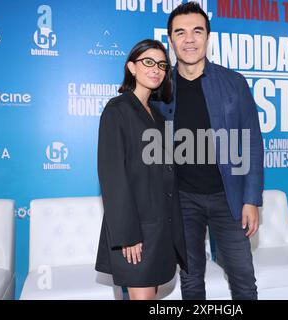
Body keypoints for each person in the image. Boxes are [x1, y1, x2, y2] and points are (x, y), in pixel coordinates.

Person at [154, 3, 264, 300]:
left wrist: (252, 199)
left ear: (207, 37)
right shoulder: (159, 88)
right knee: (190, 282)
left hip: (228, 199)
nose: (189, 39)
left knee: (243, 278)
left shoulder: (233, 83)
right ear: (171, 40)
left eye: (197, 31)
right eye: (181, 32)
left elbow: (252, 141)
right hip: (181, 200)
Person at [95, 39, 187, 300]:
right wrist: (127, 235)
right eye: (148, 62)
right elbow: (113, 177)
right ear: (131, 68)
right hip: (135, 231)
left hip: (159, 228)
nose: (156, 69)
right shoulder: (117, 110)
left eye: (161, 64)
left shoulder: (158, 116)